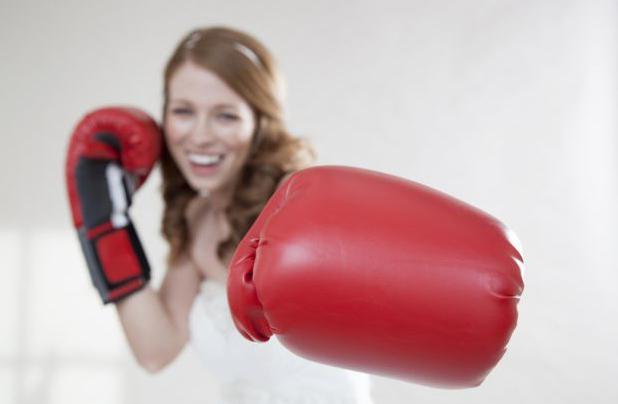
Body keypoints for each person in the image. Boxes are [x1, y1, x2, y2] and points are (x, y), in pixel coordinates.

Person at [113, 26, 374, 403]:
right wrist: (104, 225)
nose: (200, 136)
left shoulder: (301, 209)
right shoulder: (198, 217)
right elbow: (156, 349)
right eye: (183, 111)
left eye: (225, 116)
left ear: (259, 122)